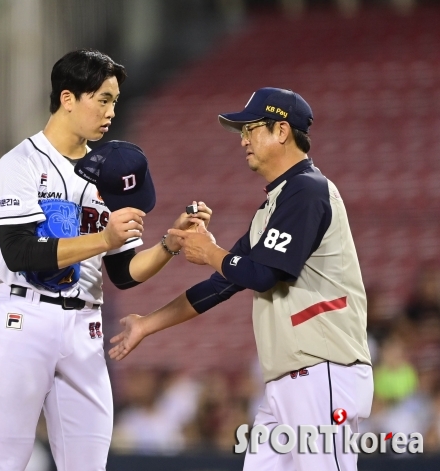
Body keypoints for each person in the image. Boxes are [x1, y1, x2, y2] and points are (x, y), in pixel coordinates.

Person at [109, 87, 373, 471]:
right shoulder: (278, 200)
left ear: (281, 131)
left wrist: (213, 254)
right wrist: (146, 325)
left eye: (251, 128)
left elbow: (263, 275)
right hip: (290, 381)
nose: (243, 139)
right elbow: (224, 282)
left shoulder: (307, 190)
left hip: (323, 373)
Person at [0, 49, 209, 471]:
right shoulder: (21, 163)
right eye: (102, 99)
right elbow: (19, 251)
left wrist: (169, 245)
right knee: (4, 463)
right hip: (24, 317)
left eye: (115, 101)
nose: (111, 111)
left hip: (85, 324)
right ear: (68, 98)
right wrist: (103, 237)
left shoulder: (108, 167)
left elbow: (123, 273)